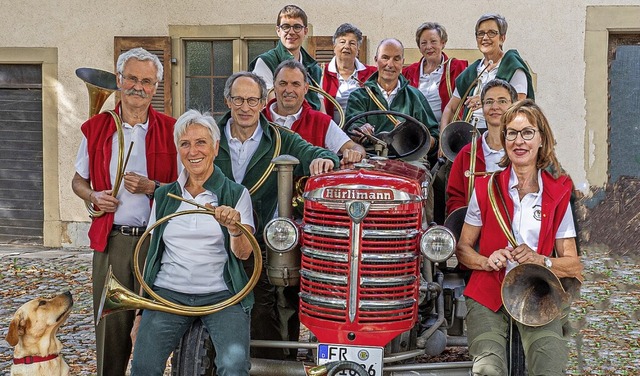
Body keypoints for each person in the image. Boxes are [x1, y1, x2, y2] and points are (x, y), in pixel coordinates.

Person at [214, 71, 339, 359]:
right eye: (238, 100)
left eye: (252, 100)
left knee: (263, 314)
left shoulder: (283, 139)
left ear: (263, 103)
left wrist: (323, 160)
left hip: (257, 245)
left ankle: (269, 363)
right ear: (227, 101)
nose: (245, 107)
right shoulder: (208, 135)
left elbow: (324, 154)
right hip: (212, 242)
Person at [456, 99, 583, 375]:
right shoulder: (485, 186)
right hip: (489, 291)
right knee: (487, 369)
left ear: (541, 140)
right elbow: (463, 249)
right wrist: (486, 260)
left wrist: (541, 260)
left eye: (527, 132)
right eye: (511, 133)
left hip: (538, 293)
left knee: (550, 365)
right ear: (504, 140)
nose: (519, 140)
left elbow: (573, 264)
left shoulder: (558, 192)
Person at [71, 47, 178, 376]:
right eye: (131, 78)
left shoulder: (173, 129)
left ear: (156, 87)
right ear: (119, 80)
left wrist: (151, 187)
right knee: (111, 331)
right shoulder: (98, 127)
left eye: (147, 81)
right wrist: (93, 197)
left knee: (155, 330)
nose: (138, 87)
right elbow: (78, 180)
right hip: (113, 241)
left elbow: (185, 188)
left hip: (157, 242)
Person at [130, 110, 255, 375]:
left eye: (201, 142)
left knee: (234, 367)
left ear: (215, 147)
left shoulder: (235, 193)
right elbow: (153, 256)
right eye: (185, 144)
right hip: (167, 294)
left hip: (222, 296)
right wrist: (141, 314)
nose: (193, 151)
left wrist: (234, 228)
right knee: (143, 366)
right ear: (178, 149)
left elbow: (244, 255)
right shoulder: (165, 196)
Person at [345, 38, 439, 159]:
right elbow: (351, 130)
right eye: (385, 57)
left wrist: (414, 135)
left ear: (402, 62)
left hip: (409, 161)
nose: (390, 64)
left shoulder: (415, 96)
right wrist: (360, 130)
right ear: (376, 60)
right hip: (368, 158)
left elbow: (434, 137)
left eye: (396, 59)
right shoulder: (358, 96)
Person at [441, 13, 534, 131]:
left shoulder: (512, 65)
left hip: (503, 133)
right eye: (480, 33)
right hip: (471, 133)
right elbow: (450, 108)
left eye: (491, 33)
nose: (485, 38)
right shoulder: (473, 71)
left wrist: (487, 101)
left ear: (502, 38)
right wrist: (443, 140)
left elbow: (520, 103)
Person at [264, 59, 365, 166]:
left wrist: (355, 153)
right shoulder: (259, 120)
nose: (289, 90)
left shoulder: (320, 121)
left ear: (306, 88)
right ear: (274, 87)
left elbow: (355, 147)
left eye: (295, 84)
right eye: (283, 83)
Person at [446, 79, 517, 215]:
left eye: (502, 101)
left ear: (514, 107)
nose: (495, 107)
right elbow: (455, 199)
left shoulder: (523, 151)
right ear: (483, 108)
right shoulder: (466, 154)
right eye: (489, 102)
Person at [249, 4, 323, 111]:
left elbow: (321, 109)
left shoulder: (314, 68)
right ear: (278, 31)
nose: (291, 32)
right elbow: (272, 110)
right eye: (286, 27)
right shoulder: (265, 62)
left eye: (297, 27)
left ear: (305, 31)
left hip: (312, 126)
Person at [402, 22, 468, 123]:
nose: (428, 47)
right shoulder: (408, 72)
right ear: (419, 47)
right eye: (423, 43)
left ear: (443, 43)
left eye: (433, 41)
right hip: (417, 131)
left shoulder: (458, 68)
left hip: (448, 131)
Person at [322, 23, 377, 124]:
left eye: (352, 43)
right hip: (331, 134)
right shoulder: (321, 73)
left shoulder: (372, 74)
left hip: (364, 134)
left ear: (358, 49)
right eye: (342, 42)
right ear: (334, 47)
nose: (346, 46)